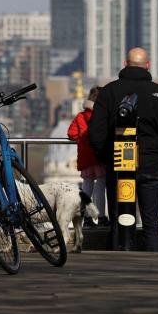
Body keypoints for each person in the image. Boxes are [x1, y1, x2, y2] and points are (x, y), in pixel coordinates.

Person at [88, 47, 158, 251]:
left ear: (125, 63)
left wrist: (107, 156)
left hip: (120, 164)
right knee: (151, 222)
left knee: (118, 218)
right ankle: (153, 267)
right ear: (148, 65)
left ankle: (117, 260)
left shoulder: (110, 92)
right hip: (151, 164)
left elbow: (95, 131)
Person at [67, 88, 108, 226]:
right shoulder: (103, 116)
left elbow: (72, 134)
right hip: (100, 156)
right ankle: (101, 217)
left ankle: (86, 219)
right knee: (100, 189)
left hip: (85, 158)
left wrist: (82, 138)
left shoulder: (80, 116)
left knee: (86, 190)